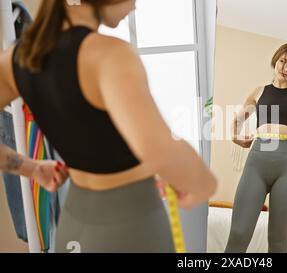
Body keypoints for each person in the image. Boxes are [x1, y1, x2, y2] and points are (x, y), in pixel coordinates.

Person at [0, 0, 217, 253]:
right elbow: (161, 151)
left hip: (73, 223)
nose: (135, 6)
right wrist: (203, 182)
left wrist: (32, 168)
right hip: (132, 225)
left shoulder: (17, 58)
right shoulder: (110, 54)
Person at [226, 43, 287, 253]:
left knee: (278, 240)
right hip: (257, 160)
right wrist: (234, 136)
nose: (286, 68)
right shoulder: (260, 92)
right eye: (283, 61)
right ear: (276, 60)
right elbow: (237, 119)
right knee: (239, 232)